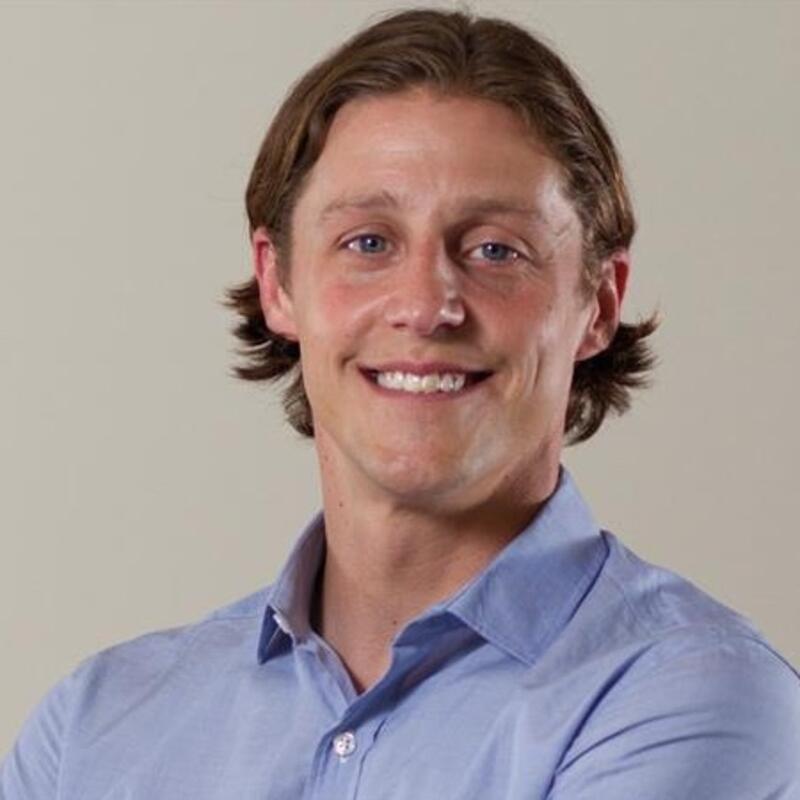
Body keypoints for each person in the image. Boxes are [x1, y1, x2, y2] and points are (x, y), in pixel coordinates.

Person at [2, 8, 798, 799]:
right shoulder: (95, 727)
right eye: (369, 243)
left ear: (599, 303)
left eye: (495, 250)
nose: (425, 306)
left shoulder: (698, 698)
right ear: (278, 283)